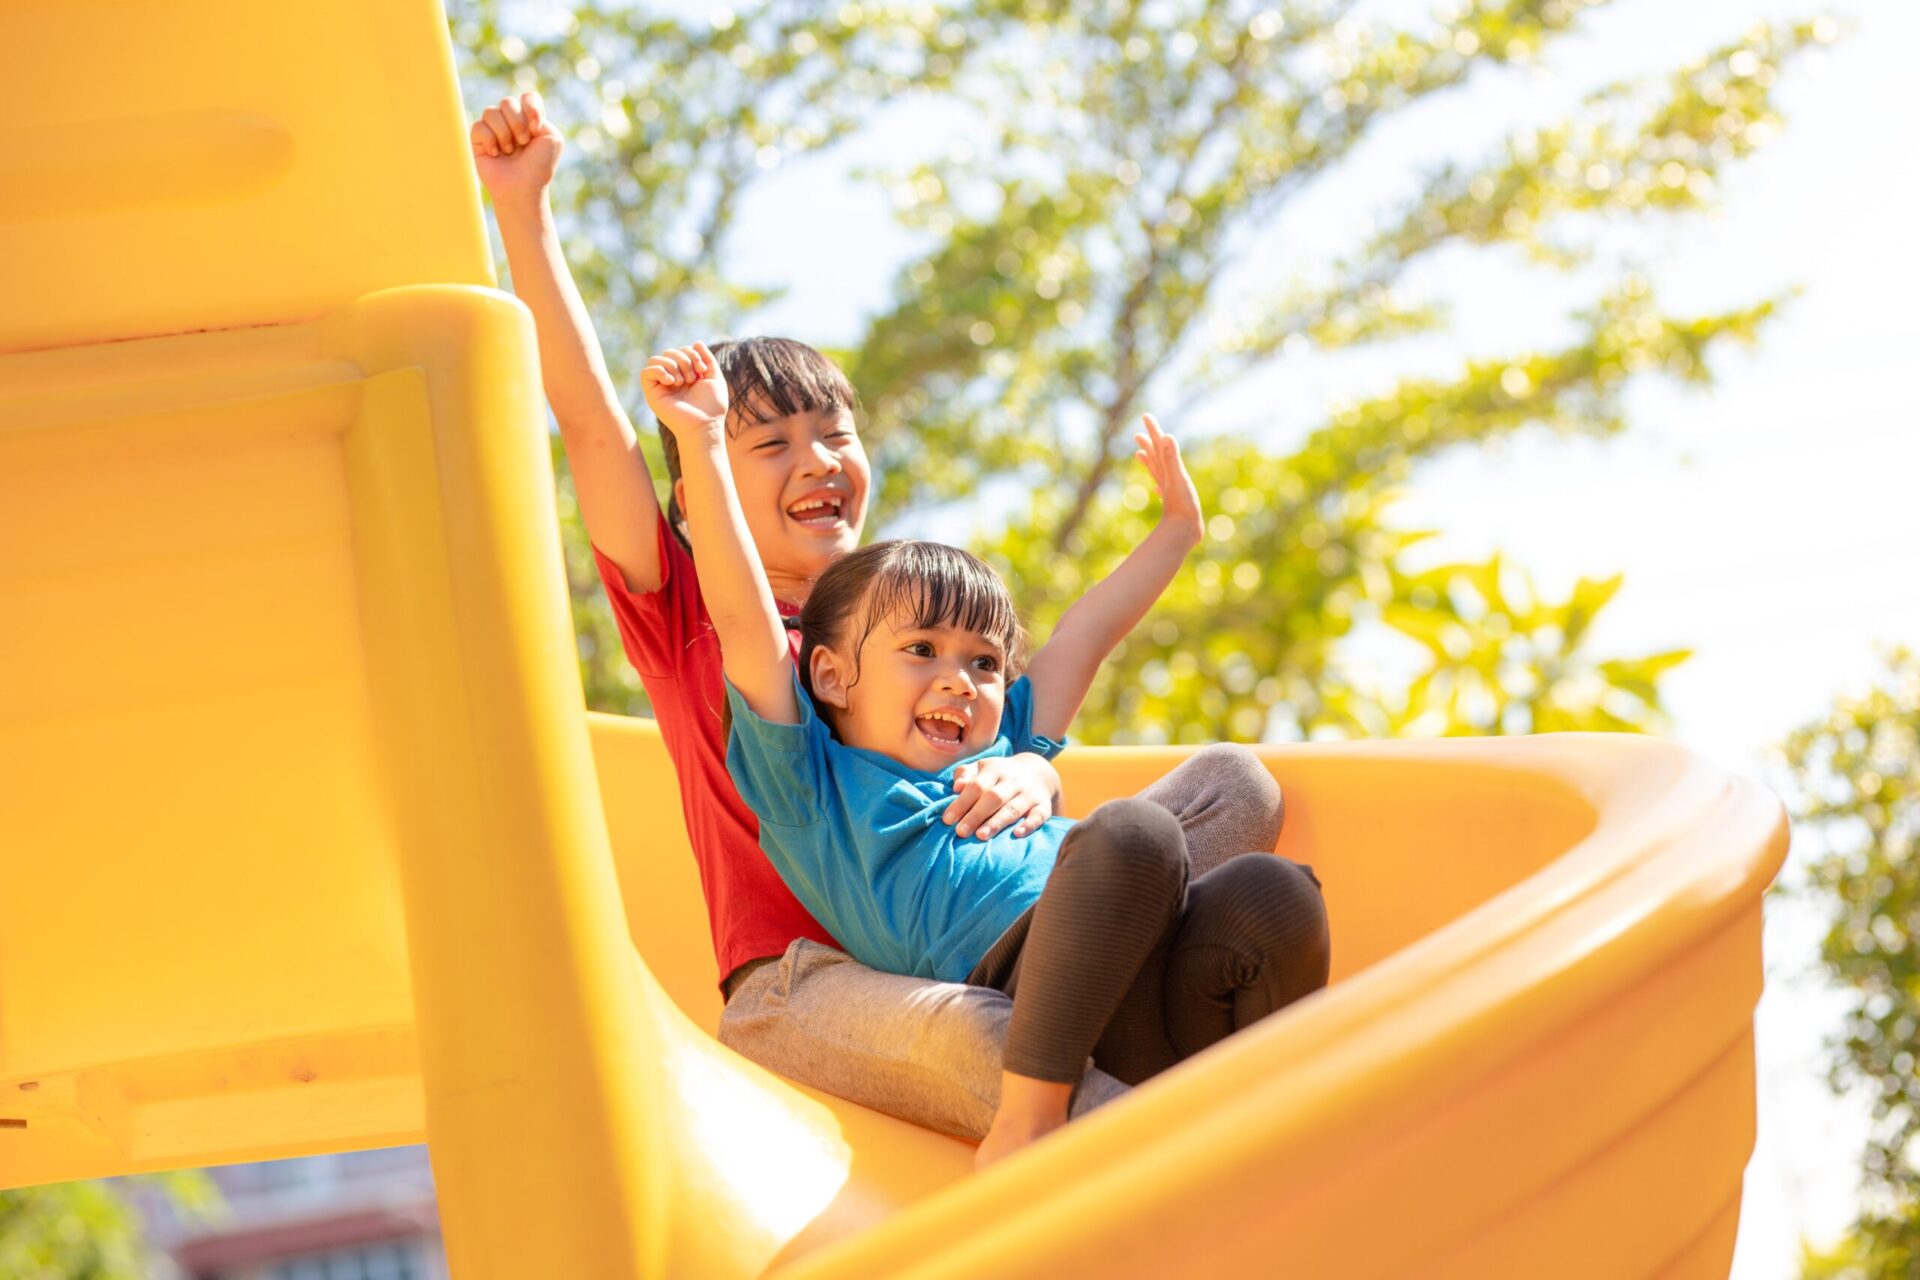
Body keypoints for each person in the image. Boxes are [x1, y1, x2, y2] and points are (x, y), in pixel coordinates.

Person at [469, 90, 1134, 1138]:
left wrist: (1035, 765)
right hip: (803, 990)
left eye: (833, 434)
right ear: (698, 487)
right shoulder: (687, 606)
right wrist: (523, 212)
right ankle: (1197, 1150)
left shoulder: (893, 624)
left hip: (948, 936)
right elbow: (594, 426)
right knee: (985, 1039)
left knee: (1209, 812)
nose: (817, 461)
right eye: (768, 443)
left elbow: (1021, 717)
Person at [643, 341, 1331, 1167]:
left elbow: (1085, 633)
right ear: (828, 674)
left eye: (982, 662)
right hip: (1008, 979)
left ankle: (1259, 1109)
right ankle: (1044, 1123)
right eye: (921, 651)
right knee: (1130, 838)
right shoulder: (807, 780)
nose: (958, 680)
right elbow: (744, 617)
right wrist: (706, 442)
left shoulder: (999, 747)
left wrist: (1178, 533)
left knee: (1270, 880)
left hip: (1126, 976)